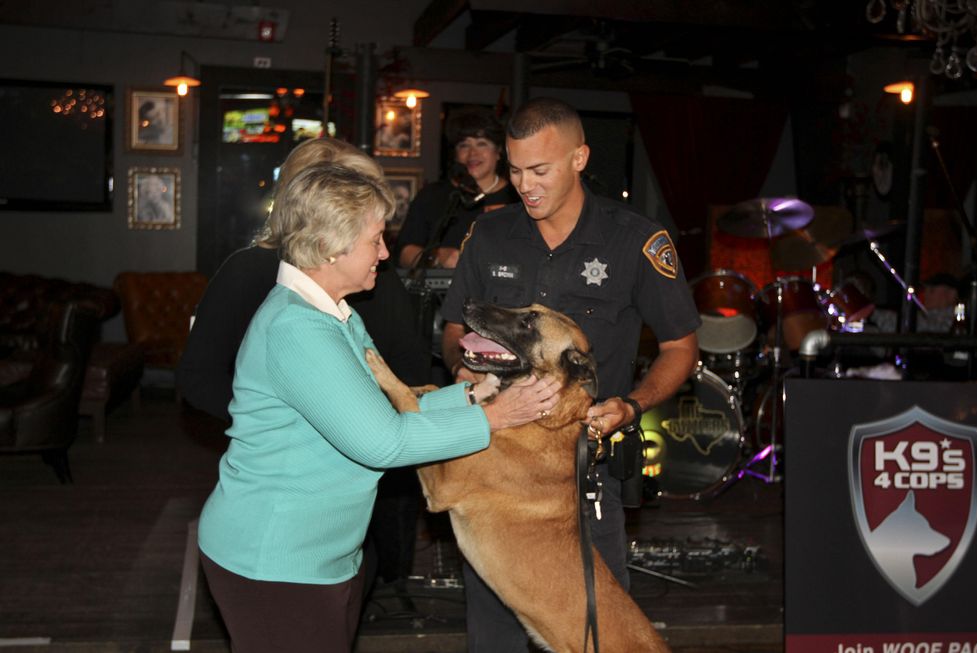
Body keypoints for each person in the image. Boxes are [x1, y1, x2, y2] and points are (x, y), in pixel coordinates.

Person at [196, 162, 562, 653]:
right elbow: (384, 443)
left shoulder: (334, 315)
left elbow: (390, 413)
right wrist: (494, 418)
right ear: (331, 246)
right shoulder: (298, 330)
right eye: (375, 240)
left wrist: (473, 396)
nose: (386, 253)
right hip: (275, 560)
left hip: (321, 557)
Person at [440, 97, 701, 652]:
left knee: (595, 636)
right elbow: (453, 327)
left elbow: (680, 346)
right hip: (497, 467)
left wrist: (632, 404)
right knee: (493, 637)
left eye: (540, 170)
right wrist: (463, 367)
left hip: (587, 468)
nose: (524, 184)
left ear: (579, 158)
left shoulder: (634, 240)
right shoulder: (489, 236)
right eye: (513, 170)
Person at [177, 137, 430, 601]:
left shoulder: (377, 274)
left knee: (357, 582)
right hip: (288, 496)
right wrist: (275, 426)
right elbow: (199, 376)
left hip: (369, 479)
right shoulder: (251, 271)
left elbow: (407, 368)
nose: (378, 245)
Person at [396, 106, 519, 269]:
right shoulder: (432, 195)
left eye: (482, 144)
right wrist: (437, 257)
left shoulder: (517, 197)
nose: (472, 154)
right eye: (464, 145)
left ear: (499, 152)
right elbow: (403, 254)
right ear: (455, 153)